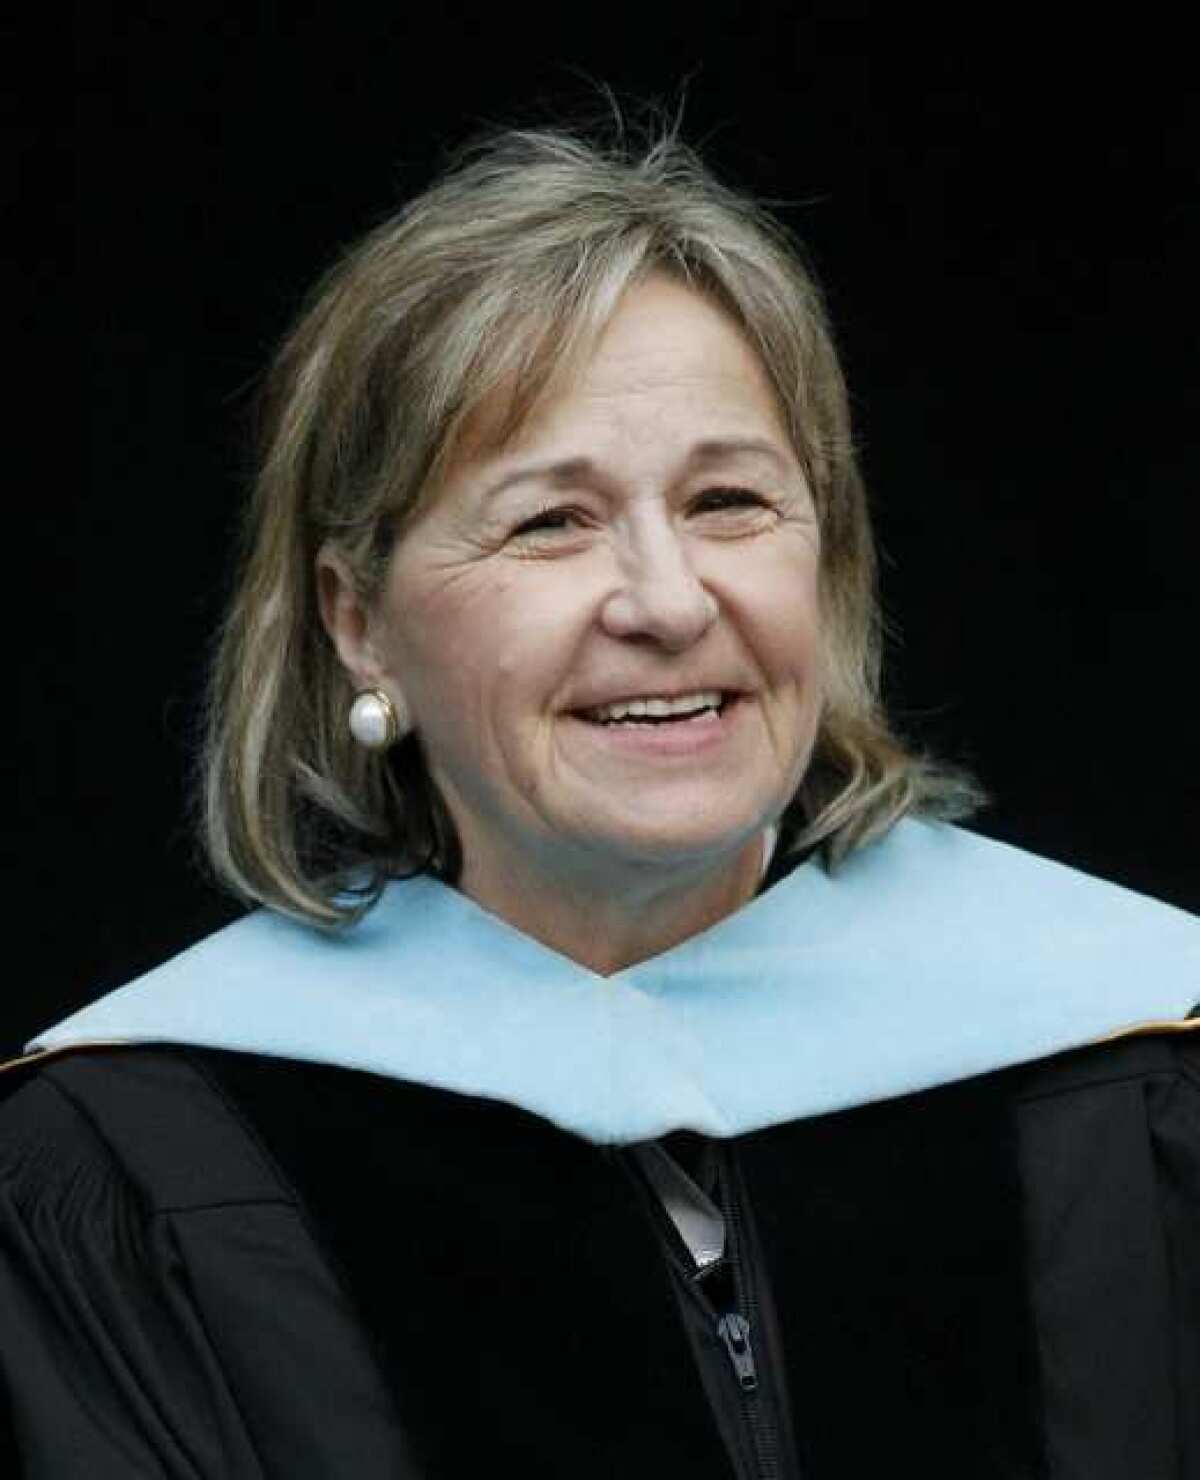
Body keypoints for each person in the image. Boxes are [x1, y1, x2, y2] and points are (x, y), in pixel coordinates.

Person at [2, 119, 1198, 1480]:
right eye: (550, 521)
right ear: (357, 623)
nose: (670, 601)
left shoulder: (1133, 1062)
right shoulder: (137, 1164)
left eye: (730, 501)